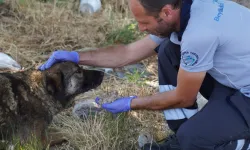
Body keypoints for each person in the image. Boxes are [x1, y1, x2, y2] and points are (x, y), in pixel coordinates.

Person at [39, 0, 250, 149]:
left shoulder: (198, 34)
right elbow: (127, 54)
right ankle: (184, 135)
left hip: (246, 92)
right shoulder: (189, 7)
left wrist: (131, 103)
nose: (140, 28)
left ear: (166, 12)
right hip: (236, 78)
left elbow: (183, 97)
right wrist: (76, 56)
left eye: (145, 22)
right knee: (169, 49)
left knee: (193, 139)